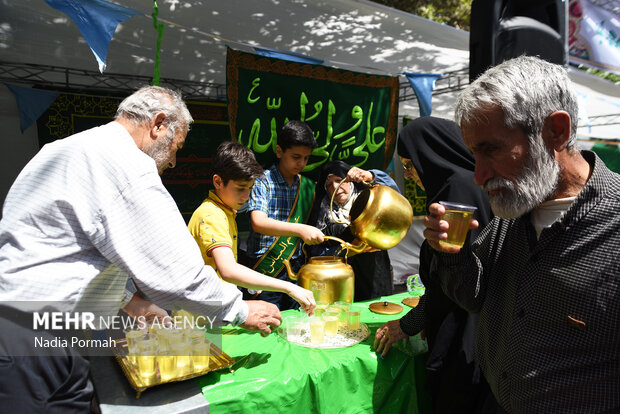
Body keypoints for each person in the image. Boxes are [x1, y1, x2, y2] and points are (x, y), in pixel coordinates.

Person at [0, 86, 281, 412]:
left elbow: (70, 253)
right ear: (158, 123)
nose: (173, 162)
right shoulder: (124, 163)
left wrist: (134, 304)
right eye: (175, 148)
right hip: (39, 342)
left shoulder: (65, 149)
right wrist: (241, 310)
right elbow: (178, 271)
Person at [423, 56, 620, 413]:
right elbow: (474, 297)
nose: (479, 176)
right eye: (473, 154)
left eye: (492, 150)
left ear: (556, 132)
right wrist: (452, 252)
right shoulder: (512, 213)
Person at [374, 117, 492, 413]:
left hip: (463, 333)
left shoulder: (455, 192)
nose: (411, 175)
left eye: (409, 164)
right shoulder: (476, 183)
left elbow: (450, 282)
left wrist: (408, 324)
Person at [187, 141, 316, 314]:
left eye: (249, 188)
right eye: (240, 188)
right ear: (218, 182)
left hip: (215, 308)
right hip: (204, 315)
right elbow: (228, 270)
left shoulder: (225, 212)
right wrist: (288, 287)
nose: (246, 196)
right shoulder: (211, 215)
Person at [244, 120, 324, 310]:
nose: (301, 163)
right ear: (279, 151)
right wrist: (300, 229)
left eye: (306, 158)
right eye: (296, 157)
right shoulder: (262, 181)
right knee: (267, 321)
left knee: (294, 322)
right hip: (265, 267)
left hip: (296, 267)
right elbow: (258, 222)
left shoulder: (307, 187)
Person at [306, 160, 398, 301]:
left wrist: (370, 175)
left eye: (339, 180)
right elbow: (315, 251)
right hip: (339, 281)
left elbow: (393, 193)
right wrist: (348, 250)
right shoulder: (321, 215)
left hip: (374, 273)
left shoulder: (371, 200)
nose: (336, 187)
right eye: (329, 185)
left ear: (350, 181)